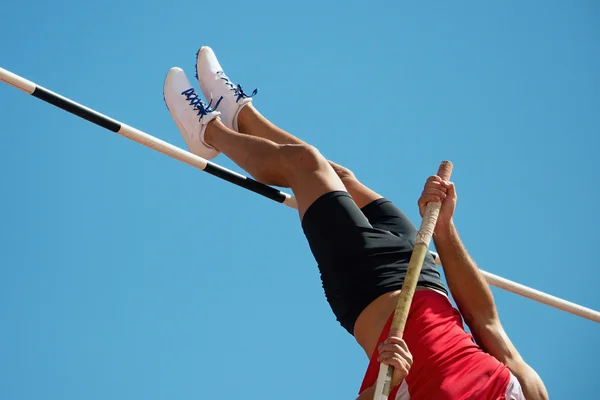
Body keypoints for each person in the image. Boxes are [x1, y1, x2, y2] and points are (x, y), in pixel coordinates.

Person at [163, 46, 549, 400]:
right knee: (342, 176)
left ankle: (208, 132)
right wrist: (445, 229)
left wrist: (389, 385)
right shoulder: (529, 394)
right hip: (423, 274)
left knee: (306, 165)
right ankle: (239, 113)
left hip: (367, 289)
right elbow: (485, 319)